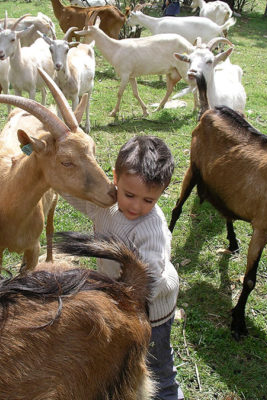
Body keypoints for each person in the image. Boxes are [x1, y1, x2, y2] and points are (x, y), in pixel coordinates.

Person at [60, 135, 184, 400]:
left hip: (152, 310)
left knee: (157, 368)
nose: (137, 207)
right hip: (119, 299)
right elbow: (77, 196)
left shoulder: (152, 229)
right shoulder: (109, 203)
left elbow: (150, 280)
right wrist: (52, 171)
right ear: (115, 177)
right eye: (130, 195)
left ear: (162, 192)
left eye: (149, 200)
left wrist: (117, 304)